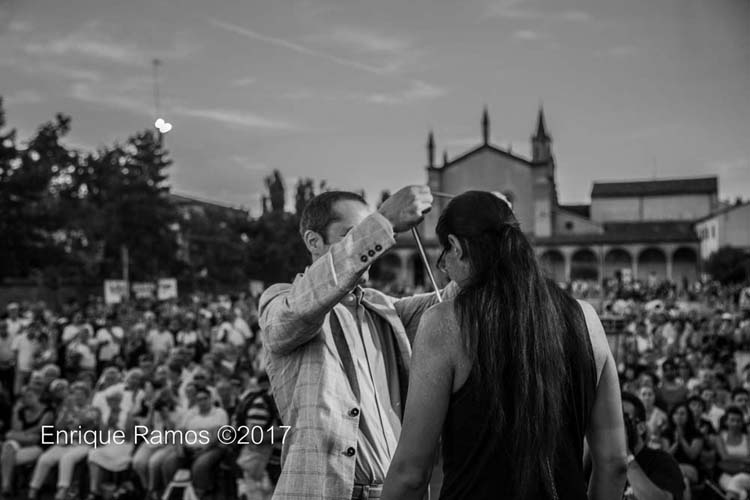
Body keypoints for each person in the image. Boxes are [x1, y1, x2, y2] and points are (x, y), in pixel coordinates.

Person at [381, 191, 627, 500]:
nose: (442, 266)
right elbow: (614, 463)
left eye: (443, 254)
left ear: (456, 247)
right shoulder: (588, 319)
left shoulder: (445, 323)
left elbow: (411, 473)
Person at [259, 186, 451, 499]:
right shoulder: (281, 302)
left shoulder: (385, 308)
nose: (372, 246)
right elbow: (301, 307)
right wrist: (384, 221)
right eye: (352, 235)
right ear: (313, 241)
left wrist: (489, 230)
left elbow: (462, 296)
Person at [621, 391, 685, 500]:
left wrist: (625, 454)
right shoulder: (600, 463)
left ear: (641, 427)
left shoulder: (662, 461)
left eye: (624, 419)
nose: (615, 427)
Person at [716, 406, 750, 500]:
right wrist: (744, 459)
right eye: (732, 420)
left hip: (746, 474)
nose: (735, 423)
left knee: (737, 480)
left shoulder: (747, 438)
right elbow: (724, 457)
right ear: (726, 421)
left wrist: (732, 457)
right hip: (726, 473)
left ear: (742, 422)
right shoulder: (720, 437)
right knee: (742, 494)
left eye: (738, 421)